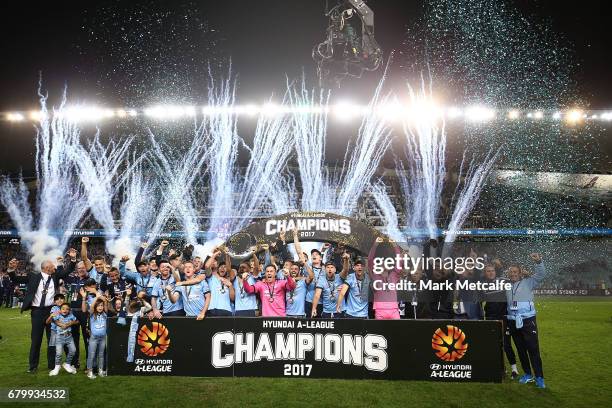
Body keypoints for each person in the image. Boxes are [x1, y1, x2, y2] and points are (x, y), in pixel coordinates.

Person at [17, 249, 76, 374]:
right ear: (46, 268)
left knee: (52, 339)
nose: (55, 267)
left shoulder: (55, 276)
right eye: (52, 266)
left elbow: (67, 271)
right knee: (36, 340)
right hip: (37, 312)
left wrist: (73, 259)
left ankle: (52, 365)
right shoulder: (33, 276)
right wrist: (11, 270)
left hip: (51, 311)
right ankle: (33, 366)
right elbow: (17, 280)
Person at [506, 253, 547, 389]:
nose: (513, 274)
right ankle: (528, 374)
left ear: (520, 273)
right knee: (521, 349)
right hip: (513, 321)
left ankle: (539, 377)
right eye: (511, 272)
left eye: (515, 272)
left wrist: (538, 262)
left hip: (528, 320)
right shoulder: (506, 285)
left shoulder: (528, 282)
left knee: (533, 349)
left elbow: (541, 275)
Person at [481, 263, 518, 379]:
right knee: (494, 345)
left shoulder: (504, 281)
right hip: (490, 318)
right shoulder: (482, 285)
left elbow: (516, 281)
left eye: (492, 270)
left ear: (495, 272)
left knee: (506, 344)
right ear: (485, 273)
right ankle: (501, 368)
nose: (491, 272)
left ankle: (514, 369)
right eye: (488, 271)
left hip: (504, 317)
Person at [49, 302, 79, 376]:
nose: (65, 310)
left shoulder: (71, 315)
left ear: (69, 310)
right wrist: (61, 324)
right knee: (59, 353)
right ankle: (57, 367)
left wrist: (70, 323)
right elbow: (54, 321)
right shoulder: (58, 315)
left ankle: (67, 363)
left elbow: (77, 321)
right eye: (63, 309)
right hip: (60, 337)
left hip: (69, 337)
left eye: (67, 309)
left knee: (73, 350)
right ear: (60, 309)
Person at [85, 294, 108, 379]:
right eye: (98, 306)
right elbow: (91, 307)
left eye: (101, 305)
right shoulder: (92, 314)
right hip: (93, 338)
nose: (100, 307)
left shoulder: (105, 314)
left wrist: (103, 299)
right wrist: (97, 297)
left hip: (102, 338)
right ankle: (90, 371)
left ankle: (101, 370)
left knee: (101, 355)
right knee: (92, 354)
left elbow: (105, 303)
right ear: (95, 307)